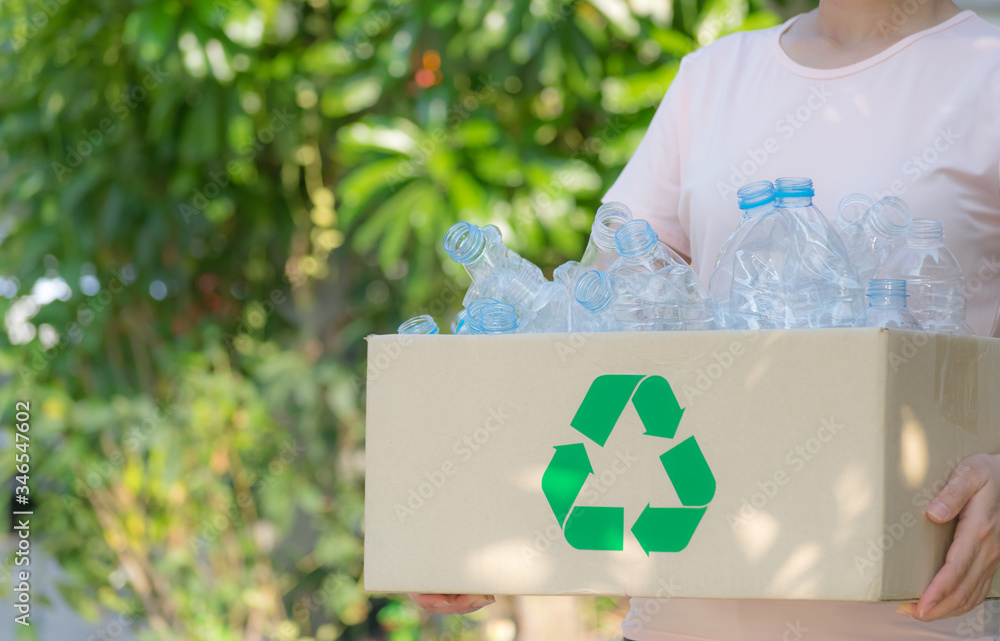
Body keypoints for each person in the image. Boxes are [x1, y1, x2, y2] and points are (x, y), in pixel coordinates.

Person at [411, 0, 1000, 638]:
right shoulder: (715, 76)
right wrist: (478, 505)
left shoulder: (984, 72)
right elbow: (593, 325)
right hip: (683, 617)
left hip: (917, 620)